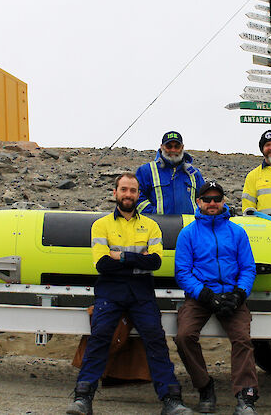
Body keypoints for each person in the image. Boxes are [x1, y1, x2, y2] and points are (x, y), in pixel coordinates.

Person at [67, 172, 191, 415]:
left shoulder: (151, 225)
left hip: (141, 292)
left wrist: (120, 256)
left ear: (137, 194)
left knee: (155, 340)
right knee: (100, 337)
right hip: (110, 290)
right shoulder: (101, 225)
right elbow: (102, 264)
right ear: (115, 193)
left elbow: (155, 262)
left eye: (133, 190)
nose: (128, 194)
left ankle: (171, 399)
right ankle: (83, 397)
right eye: (123, 190)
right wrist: (137, 259)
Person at [174, 181, 259, 414]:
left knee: (242, 338)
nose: (212, 203)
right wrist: (204, 294)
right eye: (207, 199)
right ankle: (205, 386)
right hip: (200, 296)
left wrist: (240, 294)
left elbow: (248, 268)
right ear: (199, 202)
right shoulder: (188, 233)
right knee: (183, 336)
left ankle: (245, 396)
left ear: (223, 201)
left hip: (232, 294)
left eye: (216, 199)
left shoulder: (237, 232)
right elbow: (182, 271)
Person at [136, 131, 205, 215]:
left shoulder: (194, 173)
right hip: (157, 225)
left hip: (189, 225)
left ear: (182, 147)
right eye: (169, 146)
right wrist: (152, 213)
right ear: (161, 147)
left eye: (177, 146)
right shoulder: (146, 170)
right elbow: (137, 196)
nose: (173, 150)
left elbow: (205, 199)